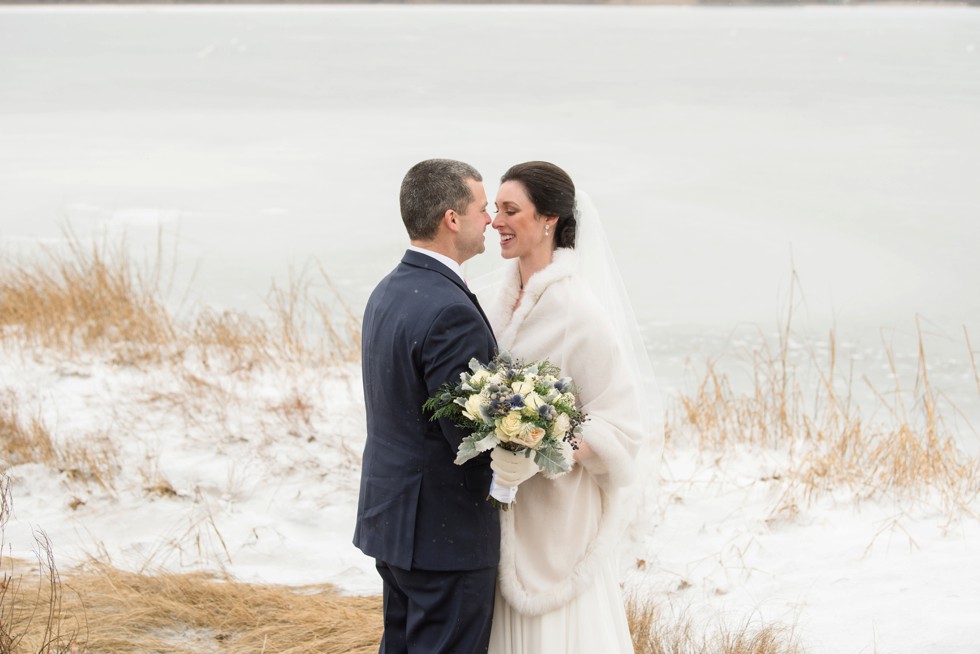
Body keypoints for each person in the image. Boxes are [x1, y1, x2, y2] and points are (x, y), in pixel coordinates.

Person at [483, 161, 662, 653]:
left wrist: (541, 445)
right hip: (497, 515)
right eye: (495, 209)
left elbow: (622, 426)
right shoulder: (493, 301)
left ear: (549, 220)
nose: (495, 220)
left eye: (510, 209)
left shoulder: (577, 311)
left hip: (556, 520)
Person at [354, 159, 500, 654]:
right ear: (452, 219)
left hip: (392, 520)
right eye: (483, 207)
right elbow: (470, 437)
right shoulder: (450, 310)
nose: (492, 219)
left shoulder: (389, 290)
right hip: (444, 535)